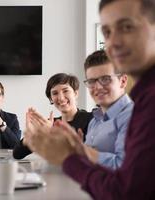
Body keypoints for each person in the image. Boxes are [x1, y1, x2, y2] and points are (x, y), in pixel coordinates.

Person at [23, 0, 155, 199]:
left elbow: (127, 190)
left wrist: (71, 156)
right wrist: (75, 150)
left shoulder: (146, 105)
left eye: (127, 27)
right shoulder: (96, 119)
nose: (113, 43)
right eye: (107, 32)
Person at [13, 73, 93, 159]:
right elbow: (17, 154)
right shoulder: (49, 124)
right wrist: (31, 136)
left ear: (75, 93)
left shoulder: (92, 119)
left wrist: (49, 135)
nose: (61, 98)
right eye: (55, 93)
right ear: (51, 99)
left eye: (65, 91)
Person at [80, 50, 133, 169]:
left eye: (105, 79)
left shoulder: (133, 116)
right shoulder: (94, 121)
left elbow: (123, 166)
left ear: (123, 81)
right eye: (91, 81)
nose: (97, 87)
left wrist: (81, 151)